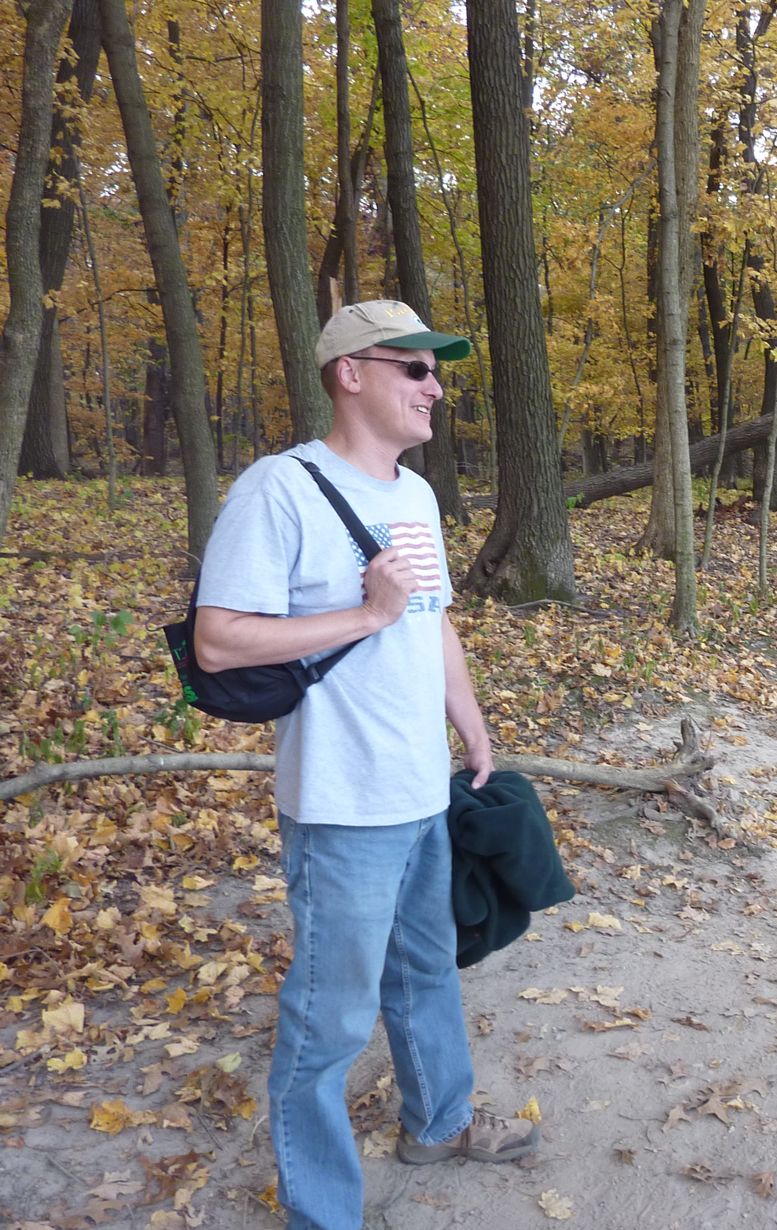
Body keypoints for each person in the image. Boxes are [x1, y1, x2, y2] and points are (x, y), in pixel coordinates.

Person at [193, 300, 538, 1229]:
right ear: (351, 373)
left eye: (439, 373)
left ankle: (439, 1119)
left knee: (427, 971)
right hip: (342, 805)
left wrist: (471, 726)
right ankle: (324, 1212)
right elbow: (219, 641)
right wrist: (367, 614)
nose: (436, 388)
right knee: (328, 1023)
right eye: (415, 369)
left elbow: (431, 623)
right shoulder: (279, 489)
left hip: (420, 789)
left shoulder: (415, 496)